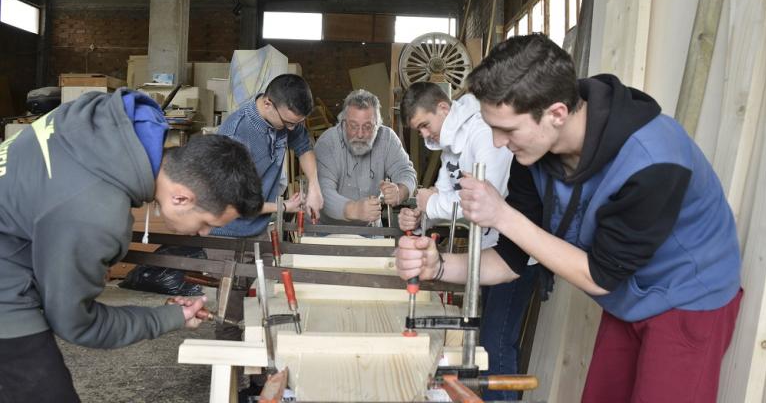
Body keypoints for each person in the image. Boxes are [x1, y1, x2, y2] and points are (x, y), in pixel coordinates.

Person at [396, 33, 742, 403]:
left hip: (689, 296)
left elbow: (601, 276)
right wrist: (438, 266)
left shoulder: (654, 159)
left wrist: (504, 215)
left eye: (507, 129)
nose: (497, 142)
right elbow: (512, 261)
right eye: (492, 127)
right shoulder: (532, 158)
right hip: (629, 293)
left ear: (557, 114)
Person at [0, 89, 264, 403]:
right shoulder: (94, 213)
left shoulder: (106, 121)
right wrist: (170, 319)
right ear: (180, 197)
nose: (201, 233)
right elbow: (77, 324)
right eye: (208, 223)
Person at [399, 81, 535, 400]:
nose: (424, 135)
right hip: (485, 253)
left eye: (424, 125)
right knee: (483, 341)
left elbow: (487, 199)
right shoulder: (451, 143)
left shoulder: (483, 133)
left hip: (514, 254)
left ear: (444, 109)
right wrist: (420, 214)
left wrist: (429, 204)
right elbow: (442, 194)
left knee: (495, 345)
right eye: (418, 130)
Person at [210, 73, 323, 237]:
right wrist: (283, 207)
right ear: (267, 103)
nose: (292, 129)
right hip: (225, 233)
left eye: (297, 123)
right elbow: (232, 203)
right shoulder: (235, 135)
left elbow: (303, 146)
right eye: (289, 123)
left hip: (258, 228)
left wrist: (314, 186)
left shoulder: (284, 118)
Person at [314, 89, 416, 226]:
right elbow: (322, 192)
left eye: (368, 127)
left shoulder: (387, 138)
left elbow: (405, 172)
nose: (360, 134)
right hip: (325, 230)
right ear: (343, 124)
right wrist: (354, 209)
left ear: (378, 125)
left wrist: (400, 191)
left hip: (370, 231)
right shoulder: (327, 142)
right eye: (353, 126)